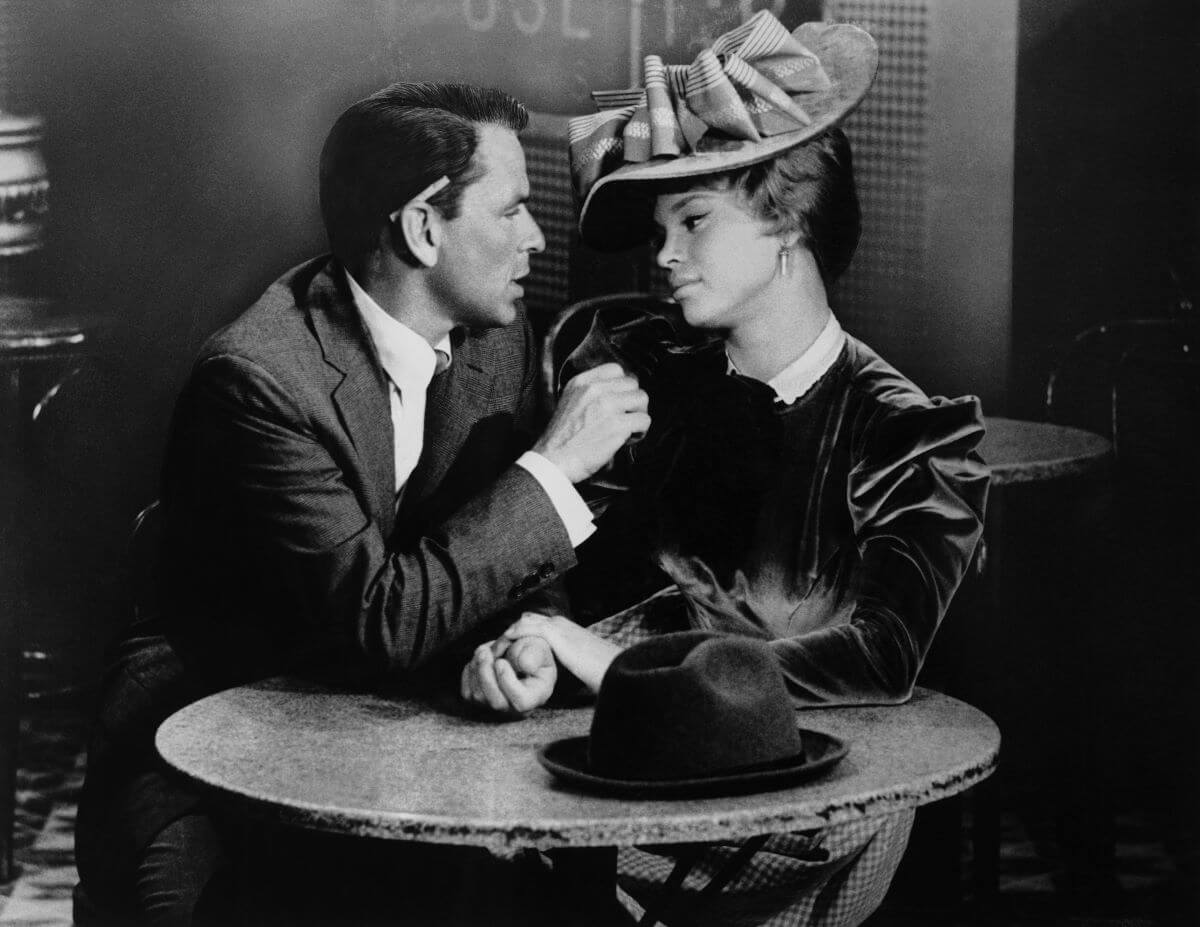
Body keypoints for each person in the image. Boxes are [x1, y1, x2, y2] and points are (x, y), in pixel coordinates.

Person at [74, 81, 649, 926]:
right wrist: (554, 466)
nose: (535, 238)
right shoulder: (259, 379)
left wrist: (519, 646)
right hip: (204, 745)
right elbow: (378, 615)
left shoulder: (498, 337)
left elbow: (512, 560)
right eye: (514, 210)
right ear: (422, 227)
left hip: (392, 722)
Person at [462, 13, 989, 926]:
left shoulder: (906, 432)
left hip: (817, 817)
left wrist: (611, 660)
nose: (662, 256)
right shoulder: (635, 373)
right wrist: (527, 649)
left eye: (694, 221)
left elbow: (882, 656)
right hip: (606, 785)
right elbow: (558, 574)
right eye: (660, 227)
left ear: (787, 220)